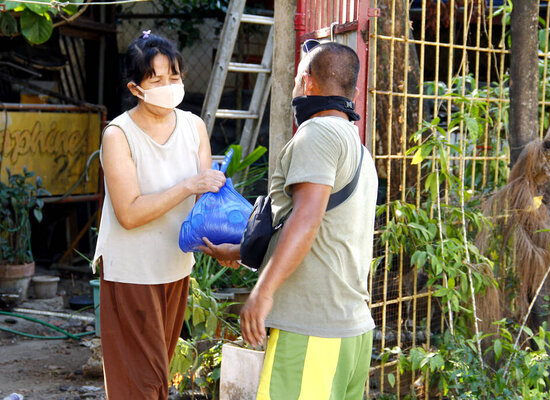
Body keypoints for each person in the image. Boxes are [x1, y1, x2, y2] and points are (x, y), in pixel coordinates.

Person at [201, 41, 377, 399]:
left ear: (306, 81)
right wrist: (238, 250)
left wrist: (262, 293)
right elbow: (322, 229)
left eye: (298, 78)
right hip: (349, 330)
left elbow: (308, 221)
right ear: (353, 91)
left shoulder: (317, 135)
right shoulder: (357, 148)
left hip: (312, 329)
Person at [92, 32, 226, 399]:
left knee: (154, 380)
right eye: (157, 80)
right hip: (131, 272)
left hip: (175, 268)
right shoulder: (119, 134)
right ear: (136, 89)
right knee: (143, 385)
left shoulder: (194, 127)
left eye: (175, 77)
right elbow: (129, 214)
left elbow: (203, 208)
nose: (169, 86)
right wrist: (187, 186)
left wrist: (227, 247)